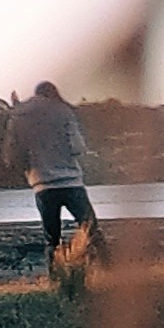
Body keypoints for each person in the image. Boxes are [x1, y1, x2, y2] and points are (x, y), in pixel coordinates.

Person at [6, 80, 100, 255]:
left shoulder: (18, 118)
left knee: (52, 240)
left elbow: (12, 157)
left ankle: (56, 277)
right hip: (71, 182)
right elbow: (78, 148)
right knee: (92, 231)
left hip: (42, 185)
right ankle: (112, 272)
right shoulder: (63, 111)